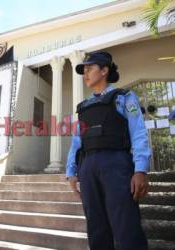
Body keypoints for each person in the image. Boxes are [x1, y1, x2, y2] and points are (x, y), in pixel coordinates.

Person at [66, 51, 151, 250]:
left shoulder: (124, 98)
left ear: (104, 70)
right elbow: (77, 141)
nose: (85, 73)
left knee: (126, 226)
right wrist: (71, 172)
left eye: (89, 68)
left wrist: (140, 169)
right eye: (83, 70)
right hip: (87, 167)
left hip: (117, 164)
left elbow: (138, 133)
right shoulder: (83, 107)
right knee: (96, 228)